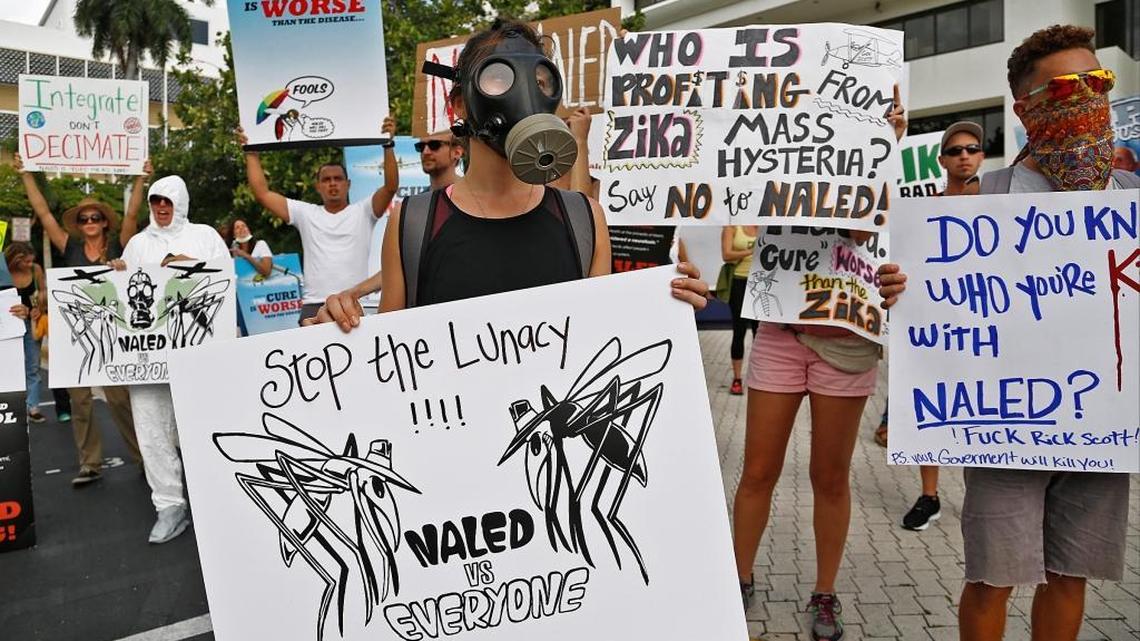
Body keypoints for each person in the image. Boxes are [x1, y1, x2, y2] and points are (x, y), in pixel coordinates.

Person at [879, 25, 1138, 641]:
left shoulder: (1133, 200)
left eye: (1096, 83)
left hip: (1101, 425)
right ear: (1025, 109)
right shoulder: (978, 200)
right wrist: (902, 288)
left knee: (1068, 575)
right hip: (1007, 427)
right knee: (992, 578)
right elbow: (928, 286)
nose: (1085, 100)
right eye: (1064, 90)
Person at [307, 19, 707, 330]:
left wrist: (664, 308)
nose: (525, 96)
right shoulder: (412, 223)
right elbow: (389, 356)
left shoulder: (584, 219)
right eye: (500, 78)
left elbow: (600, 334)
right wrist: (337, 333)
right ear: (459, 105)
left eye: (539, 81)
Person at [733, 84, 907, 641]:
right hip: (781, 331)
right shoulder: (775, 157)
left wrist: (885, 144)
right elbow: (747, 228)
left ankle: (825, 592)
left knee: (829, 476)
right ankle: (737, 578)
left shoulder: (872, 161)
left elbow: (864, 229)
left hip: (847, 340)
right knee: (758, 471)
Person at [16, 154, 147, 485]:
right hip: (73, 337)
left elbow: (132, 213)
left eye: (96, 217)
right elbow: (44, 213)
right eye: (85, 218)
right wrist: (25, 174)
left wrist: (141, 178)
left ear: (104, 222)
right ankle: (90, 463)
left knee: (119, 401)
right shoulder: (68, 244)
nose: (90, 221)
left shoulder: (120, 246)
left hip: (111, 336)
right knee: (80, 402)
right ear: (79, 224)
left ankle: (143, 457)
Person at [115, 174, 229, 543]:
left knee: (203, 424)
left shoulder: (205, 236)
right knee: (151, 431)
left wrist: (186, 263)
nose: (161, 208)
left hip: (198, 355)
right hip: (148, 357)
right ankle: (169, 506)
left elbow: (226, 283)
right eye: (155, 201)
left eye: (168, 201)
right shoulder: (137, 244)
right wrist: (116, 274)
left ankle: (218, 499)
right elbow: (123, 298)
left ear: (180, 202)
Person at [890, 121, 987, 531]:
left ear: (982, 155)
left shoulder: (1003, 200)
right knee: (931, 408)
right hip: (937, 330)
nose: (964, 155)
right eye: (955, 150)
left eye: (972, 148)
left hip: (988, 325)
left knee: (984, 409)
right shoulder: (924, 207)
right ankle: (929, 496)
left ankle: (983, 497)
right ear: (942, 160)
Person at [238, 117, 399, 322]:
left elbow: (390, 187)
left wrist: (388, 145)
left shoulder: (364, 211)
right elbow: (262, 193)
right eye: (326, 179)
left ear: (348, 184)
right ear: (317, 186)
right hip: (314, 305)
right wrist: (251, 151)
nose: (332, 184)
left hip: (354, 304)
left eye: (338, 178)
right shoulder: (306, 213)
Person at [4, 243, 47, 423]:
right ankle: (9, 408)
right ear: (15, 259)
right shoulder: (3, 271)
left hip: (30, 324)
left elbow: (43, 291)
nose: (30, 264)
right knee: (8, 368)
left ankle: (33, 406)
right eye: (26, 261)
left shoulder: (36, 270)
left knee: (33, 366)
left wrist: (40, 307)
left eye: (31, 261)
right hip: (5, 325)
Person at [722, 225, 759, 395]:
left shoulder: (766, 225)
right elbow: (726, 255)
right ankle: (737, 379)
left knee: (761, 334)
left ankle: (760, 377)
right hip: (739, 283)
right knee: (739, 331)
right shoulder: (732, 226)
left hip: (761, 283)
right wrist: (751, 251)